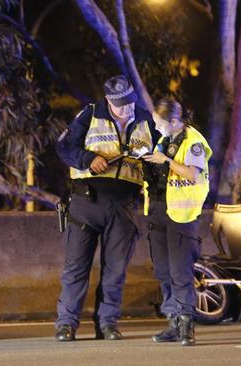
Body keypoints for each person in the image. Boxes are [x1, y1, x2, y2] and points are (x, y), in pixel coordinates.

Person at [54, 75, 160, 342]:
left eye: (129, 103)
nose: (127, 109)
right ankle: (66, 324)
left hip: (124, 204)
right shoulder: (90, 115)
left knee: (115, 270)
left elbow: (160, 159)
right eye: (120, 105)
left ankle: (108, 324)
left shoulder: (146, 119)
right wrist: (88, 158)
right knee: (76, 267)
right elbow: (64, 146)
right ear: (109, 101)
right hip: (86, 201)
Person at [142, 98, 212, 346]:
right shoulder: (165, 140)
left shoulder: (193, 141)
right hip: (160, 212)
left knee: (180, 272)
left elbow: (192, 174)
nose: (156, 127)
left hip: (182, 217)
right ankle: (172, 321)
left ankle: (186, 325)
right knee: (163, 271)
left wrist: (167, 161)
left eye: (160, 123)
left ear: (174, 121)